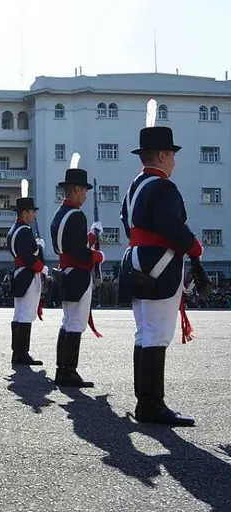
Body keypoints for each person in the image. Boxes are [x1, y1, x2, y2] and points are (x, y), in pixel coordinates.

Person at [119, 112, 201, 426]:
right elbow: (171, 226)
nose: (174, 163)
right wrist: (194, 247)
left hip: (137, 259)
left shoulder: (133, 187)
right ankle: (152, 405)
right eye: (173, 157)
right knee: (157, 334)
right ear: (163, 156)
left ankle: (146, 402)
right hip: (158, 264)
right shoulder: (164, 188)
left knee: (145, 332)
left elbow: (127, 223)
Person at [50, 163, 105, 387]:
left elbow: (69, 243)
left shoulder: (60, 214)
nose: (85, 195)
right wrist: (97, 256)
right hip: (78, 275)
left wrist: (91, 235)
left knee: (68, 322)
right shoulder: (77, 216)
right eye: (84, 190)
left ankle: (62, 369)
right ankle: (68, 372)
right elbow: (79, 250)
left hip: (65, 272)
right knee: (76, 324)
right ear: (76, 189)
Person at [7, 196, 47, 365]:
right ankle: (22, 353)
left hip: (19, 273)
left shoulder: (13, 230)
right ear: (25, 213)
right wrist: (40, 261)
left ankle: (17, 352)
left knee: (19, 313)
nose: (34, 216)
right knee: (26, 314)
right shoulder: (25, 231)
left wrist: (35, 248)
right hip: (27, 274)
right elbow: (27, 255)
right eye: (32, 212)